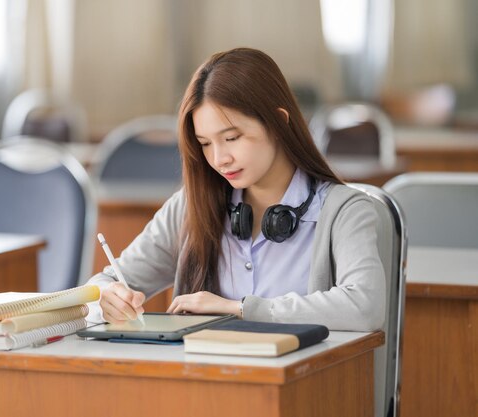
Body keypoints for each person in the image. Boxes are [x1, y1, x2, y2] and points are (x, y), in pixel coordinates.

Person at [87, 47, 385, 331]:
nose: (219, 158)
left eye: (231, 138)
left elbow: (365, 305)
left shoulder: (344, 210)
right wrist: (106, 297)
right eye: (205, 143)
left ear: (278, 123)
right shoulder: (190, 207)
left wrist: (239, 309)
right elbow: (105, 282)